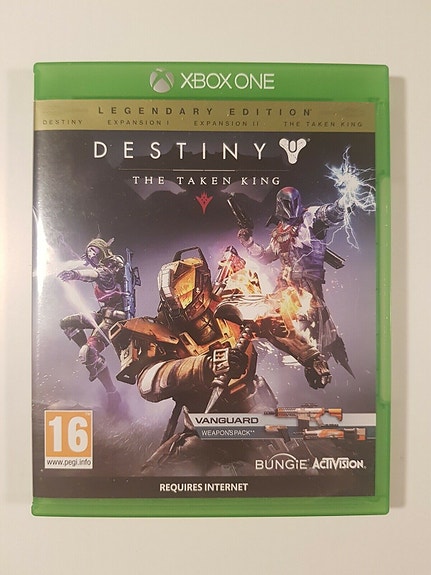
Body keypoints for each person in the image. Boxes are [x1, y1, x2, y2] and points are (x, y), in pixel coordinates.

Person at [110, 247, 331, 475]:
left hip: (253, 409)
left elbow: (274, 326)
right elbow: (148, 382)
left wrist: (310, 357)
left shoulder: (233, 300)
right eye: (175, 302)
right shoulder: (159, 329)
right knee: (154, 475)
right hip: (203, 424)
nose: (183, 310)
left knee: (289, 467)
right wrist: (204, 366)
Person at [238, 186, 353, 375]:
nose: (290, 207)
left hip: (307, 286)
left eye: (293, 203)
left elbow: (331, 213)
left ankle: (316, 364)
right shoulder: (279, 232)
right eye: (286, 203)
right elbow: (266, 257)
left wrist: (345, 202)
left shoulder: (310, 218)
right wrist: (249, 243)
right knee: (262, 318)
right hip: (284, 287)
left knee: (308, 326)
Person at [58, 238, 126, 411]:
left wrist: (75, 274)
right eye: (89, 251)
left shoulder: (109, 269)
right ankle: (91, 355)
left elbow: (95, 274)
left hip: (115, 320)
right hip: (103, 314)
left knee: (87, 353)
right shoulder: (100, 266)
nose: (90, 255)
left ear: (102, 253)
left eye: (94, 251)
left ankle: (112, 393)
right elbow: (88, 267)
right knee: (67, 324)